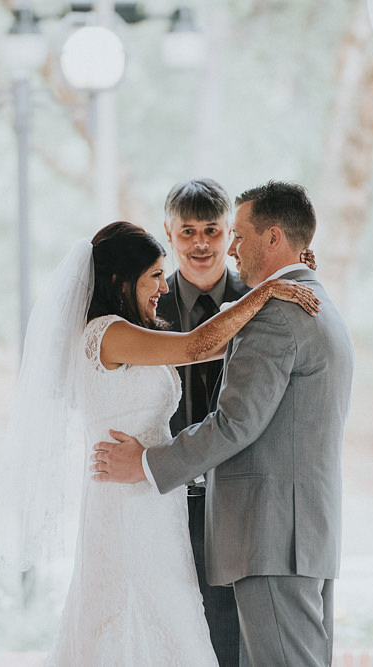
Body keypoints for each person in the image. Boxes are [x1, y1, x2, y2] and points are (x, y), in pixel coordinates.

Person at [0, 222, 319, 665]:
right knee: (130, 613)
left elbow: (214, 347)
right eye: (153, 275)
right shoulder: (105, 333)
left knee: (164, 613)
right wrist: (264, 293)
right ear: (118, 280)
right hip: (125, 503)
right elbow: (196, 345)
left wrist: (267, 298)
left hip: (150, 496)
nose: (161, 289)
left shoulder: (130, 333)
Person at [91, 182, 355, 667]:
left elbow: (236, 424)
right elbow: (200, 347)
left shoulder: (278, 312)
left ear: (273, 238)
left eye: (235, 234)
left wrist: (147, 464)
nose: (228, 248)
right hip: (290, 532)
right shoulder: (311, 302)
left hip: (270, 534)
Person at [156, 178, 248, 666]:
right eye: (187, 231)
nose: (200, 244)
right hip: (164, 502)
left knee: (229, 637)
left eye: (211, 230)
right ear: (168, 234)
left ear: (230, 233)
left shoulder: (263, 299)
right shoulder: (145, 310)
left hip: (240, 501)